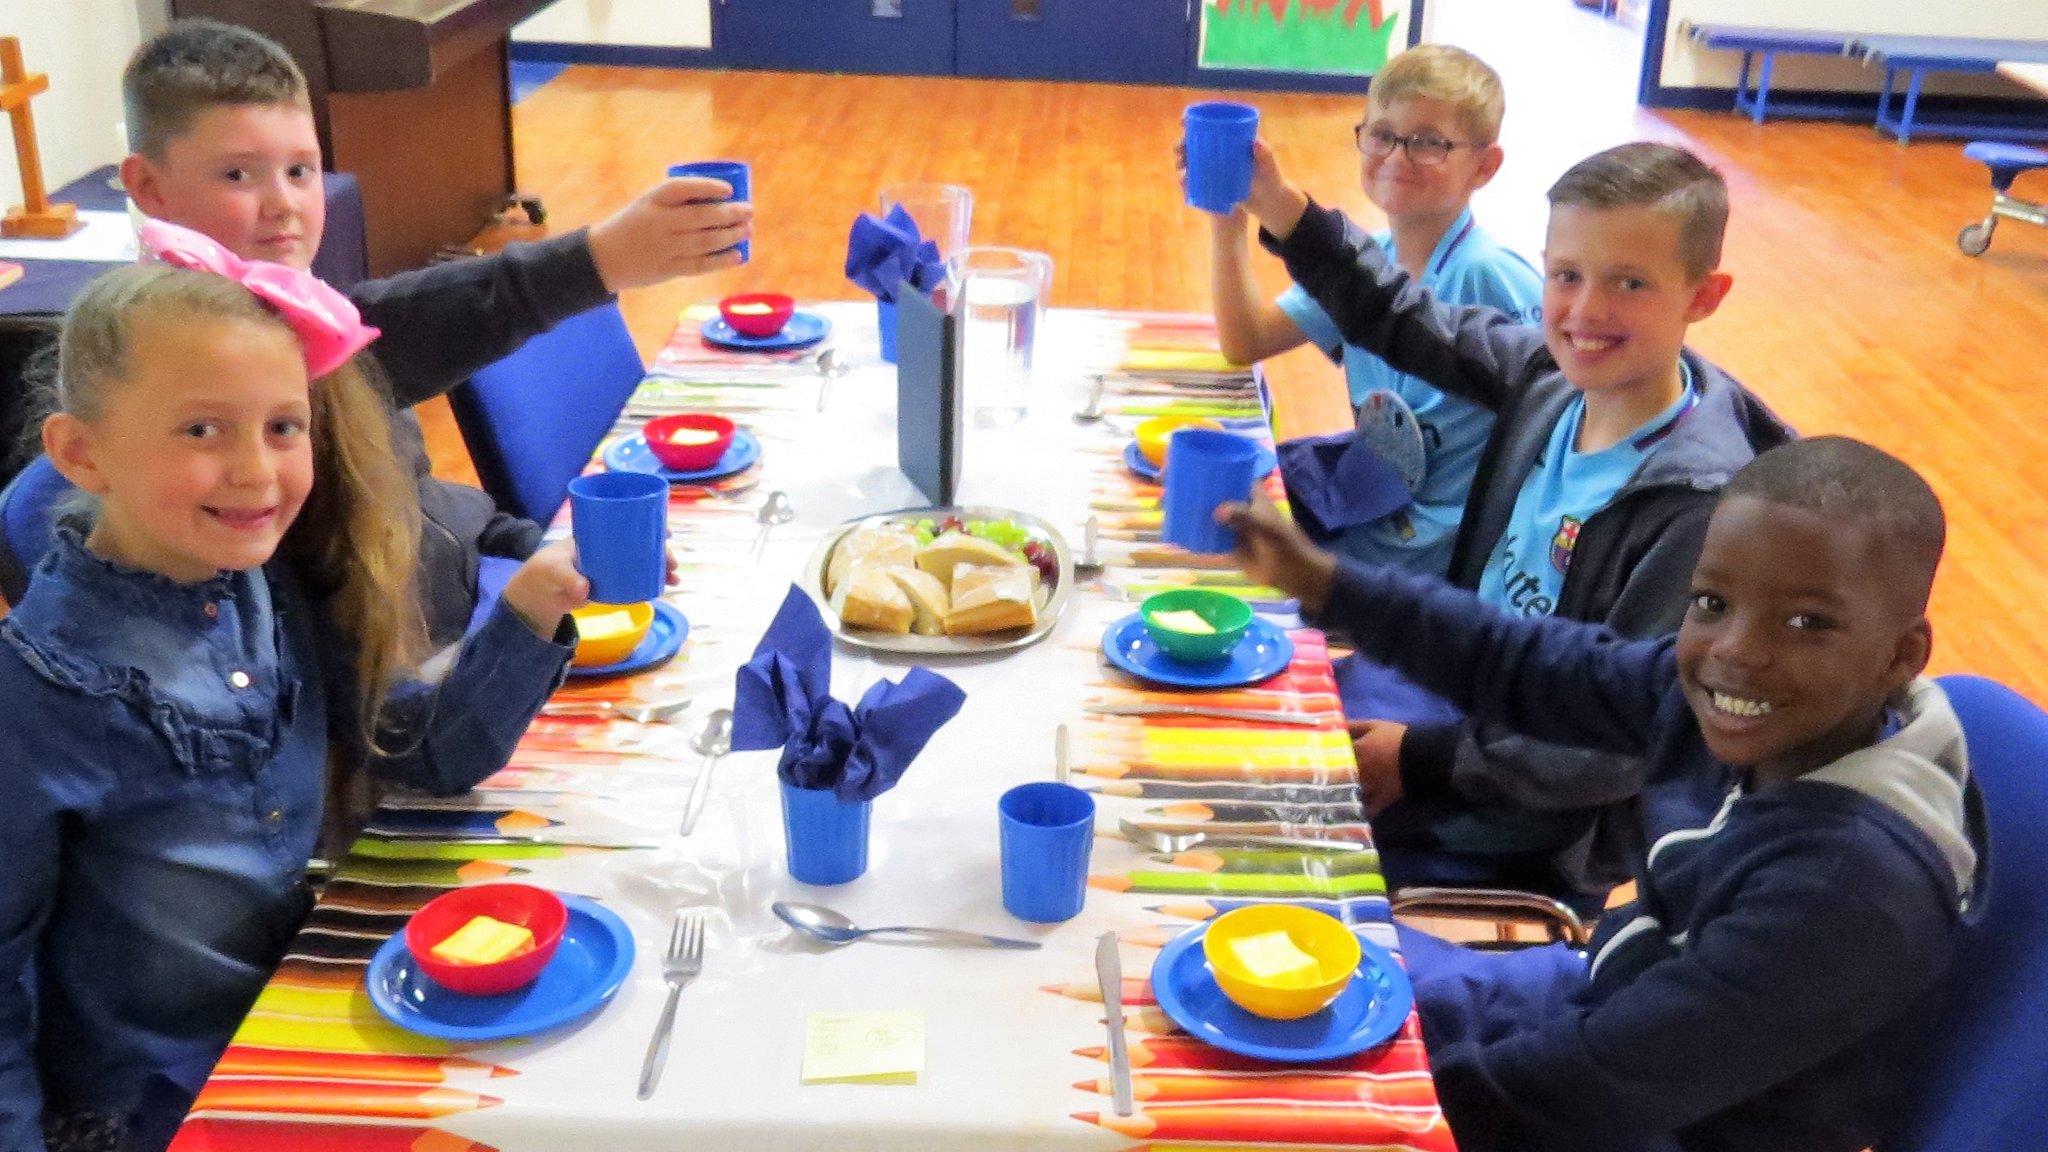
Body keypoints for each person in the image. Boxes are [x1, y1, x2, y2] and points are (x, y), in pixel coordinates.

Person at [1222, 435, 1983, 1152]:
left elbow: (1579, 1092)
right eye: (1712, 603)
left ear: (1901, 655)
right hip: (1614, 997)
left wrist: (1354, 1115)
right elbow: (1530, 662)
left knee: (1289, 1089)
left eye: (1807, 623)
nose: (1737, 650)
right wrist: (1329, 584)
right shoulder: (1740, 704)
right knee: (1271, 990)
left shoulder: (1846, 895)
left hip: (1670, 1122)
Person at [0, 233, 588, 1152]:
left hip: (293, 1018)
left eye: (283, 425)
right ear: (82, 453)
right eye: (203, 430)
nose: (256, 471)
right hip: (156, 1105)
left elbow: (416, 752)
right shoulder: (44, 687)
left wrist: (528, 612)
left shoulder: (254, 580)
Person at [0, 17, 749, 643]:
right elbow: (406, 327)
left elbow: (432, 507)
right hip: (429, 685)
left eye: (300, 170)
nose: (283, 204)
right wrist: (594, 259)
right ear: (148, 189)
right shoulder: (197, 402)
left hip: (481, 607)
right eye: (238, 175)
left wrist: (526, 548)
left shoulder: (312, 317)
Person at [1238, 139, 1794, 898]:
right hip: (1443, 690)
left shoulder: (1699, 506)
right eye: (1567, 276)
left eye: (1630, 283)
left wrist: (1423, 759)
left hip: (1521, 807)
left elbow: (1615, 742)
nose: (1587, 311)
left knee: (1248, 829)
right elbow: (1399, 314)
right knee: (1238, 722)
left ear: (1704, 295)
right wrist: (1279, 205)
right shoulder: (1551, 378)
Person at [1206, 44, 1540, 578]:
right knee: (1210, 505)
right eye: (1383, 135)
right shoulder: (1367, 261)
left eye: (1428, 143)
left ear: (1485, 166)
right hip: (1372, 516)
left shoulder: (1491, 275)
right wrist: (1229, 217)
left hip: (1429, 563)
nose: (1397, 157)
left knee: (1228, 555)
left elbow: (1558, 412)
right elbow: (1245, 341)